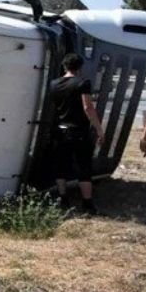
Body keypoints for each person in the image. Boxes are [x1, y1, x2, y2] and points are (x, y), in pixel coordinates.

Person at [48, 53, 104, 214]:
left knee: (61, 165)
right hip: (78, 131)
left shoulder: (54, 84)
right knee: (84, 166)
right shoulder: (83, 83)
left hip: (59, 130)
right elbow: (88, 107)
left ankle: (62, 198)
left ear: (64, 66)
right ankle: (87, 203)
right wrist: (99, 130)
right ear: (80, 68)